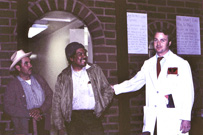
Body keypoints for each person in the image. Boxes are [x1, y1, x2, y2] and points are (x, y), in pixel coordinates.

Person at [113, 28, 194, 135]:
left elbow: (188, 92)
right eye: (156, 40)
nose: (158, 43)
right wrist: (115, 88)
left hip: (173, 116)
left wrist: (186, 117)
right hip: (153, 117)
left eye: (162, 40)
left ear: (169, 43)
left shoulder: (181, 63)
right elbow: (136, 82)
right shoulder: (148, 64)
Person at [52, 42, 114, 135]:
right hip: (73, 120)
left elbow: (108, 90)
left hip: (93, 117)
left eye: (84, 53)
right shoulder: (63, 76)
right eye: (80, 54)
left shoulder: (94, 70)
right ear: (71, 58)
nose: (84, 56)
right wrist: (59, 126)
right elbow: (56, 102)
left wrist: (101, 105)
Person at [4, 50, 53, 135]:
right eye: (26, 63)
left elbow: (50, 95)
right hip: (24, 127)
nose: (30, 65)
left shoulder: (39, 79)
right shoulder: (12, 85)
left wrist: (40, 110)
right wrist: (29, 113)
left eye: (30, 62)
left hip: (43, 123)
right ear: (18, 68)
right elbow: (8, 107)